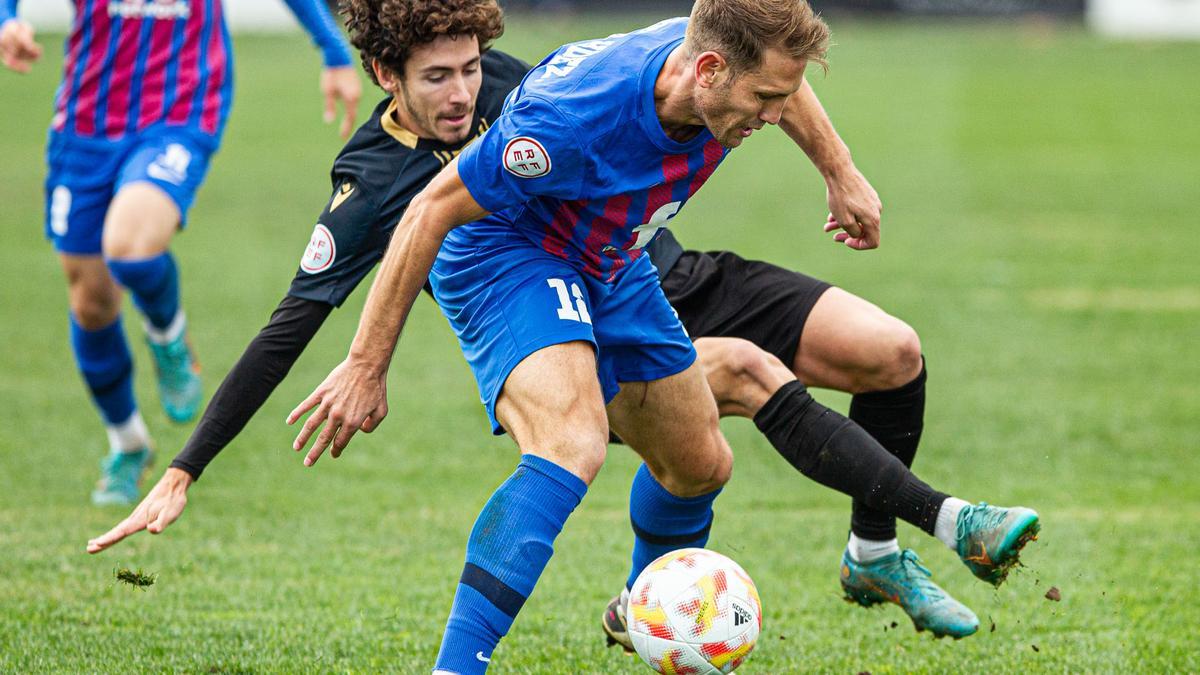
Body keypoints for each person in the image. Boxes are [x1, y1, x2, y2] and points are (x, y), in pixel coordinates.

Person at [86, 0, 1040, 654]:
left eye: (470, 68)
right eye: (438, 77)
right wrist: (334, 382)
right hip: (513, 261)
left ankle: (651, 609)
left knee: (707, 461)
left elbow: (768, 70)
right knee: (583, 435)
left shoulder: (683, 59)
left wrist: (839, 172)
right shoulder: (452, 155)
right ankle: (460, 664)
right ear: (387, 74)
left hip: (630, 259)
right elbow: (378, 256)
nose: (464, 92)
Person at [0, 0, 361, 505]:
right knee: (91, 300)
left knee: (129, 246)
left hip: (180, 109)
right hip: (86, 121)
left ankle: (168, 335)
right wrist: (8, 20)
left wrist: (333, 50)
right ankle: (127, 444)